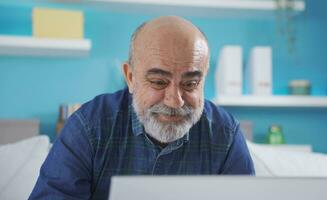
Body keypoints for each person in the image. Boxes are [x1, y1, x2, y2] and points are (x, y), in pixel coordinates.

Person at [29, 16, 254, 200]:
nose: (175, 101)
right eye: (158, 82)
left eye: (190, 84)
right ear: (130, 77)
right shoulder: (88, 127)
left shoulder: (226, 135)